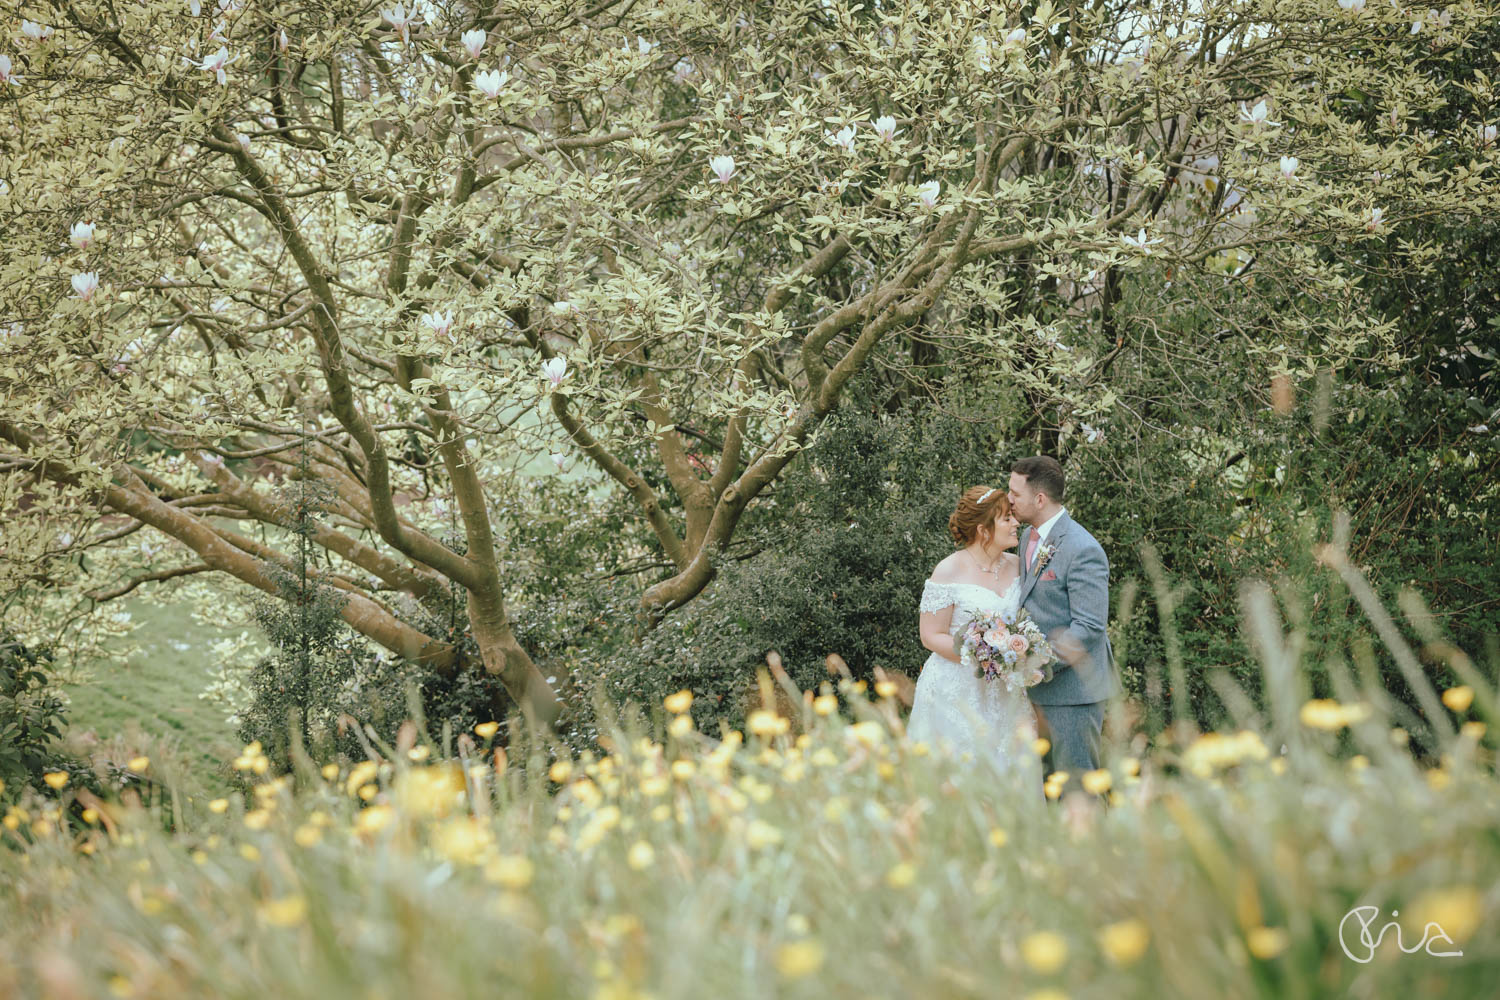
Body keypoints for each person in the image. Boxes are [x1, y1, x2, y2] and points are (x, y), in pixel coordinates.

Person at [908, 485, 1040, 780]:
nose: (1016, 523)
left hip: (1006, 691)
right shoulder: (948, 570)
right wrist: (981, 653)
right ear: (984, 530)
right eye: (1006, 519)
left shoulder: (1019, 566)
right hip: (955, 690)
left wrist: (1018, 651)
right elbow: (930, 635)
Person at [1007, 456, 1120, 778]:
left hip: (1073, 692)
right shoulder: (1027, 537)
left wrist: (1034, 664)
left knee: (1077, 788)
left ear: (1039, 499)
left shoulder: (1083, 549)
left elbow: (1089, 627)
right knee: (1043, 788)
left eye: (1015, 493)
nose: (1009, 500)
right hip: (1033, 691)